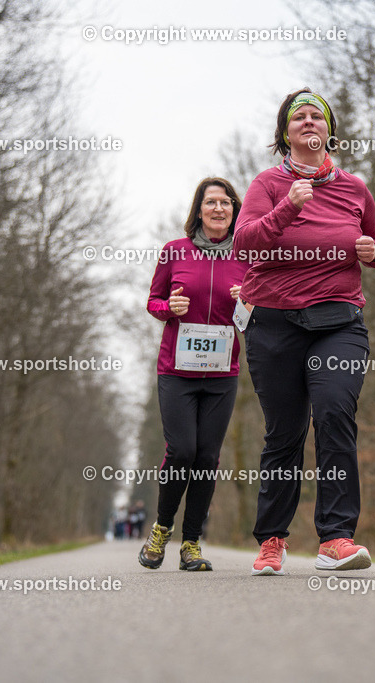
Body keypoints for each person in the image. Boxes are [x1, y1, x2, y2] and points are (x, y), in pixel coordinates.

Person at [234, 88, 375, 575]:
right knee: (284, 433)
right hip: (274, 322)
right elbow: (242, 243)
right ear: (285, 134)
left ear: (328, 130)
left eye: (315, 116)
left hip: (338, 321)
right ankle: (273, 540)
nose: (308, 122)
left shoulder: (354, 187)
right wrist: (287, 209)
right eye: (297, 117)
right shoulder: (268, 183)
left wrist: (374, 252)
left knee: (335, 414)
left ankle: (337, 538)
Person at [138, 177, 250, 572]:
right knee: (182, 451)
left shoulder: (246, 257)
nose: (219, 209)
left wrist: (248, 303)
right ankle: (161, 529)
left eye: (226, 203)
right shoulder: (175, 252)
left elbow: (256, 319)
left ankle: (191, 543)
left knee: (207, 457)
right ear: (198, 210)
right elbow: (152, 302)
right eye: (211, 202)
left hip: (222, 373)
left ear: (235, 211)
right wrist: (169, 306)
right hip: (177, 371)